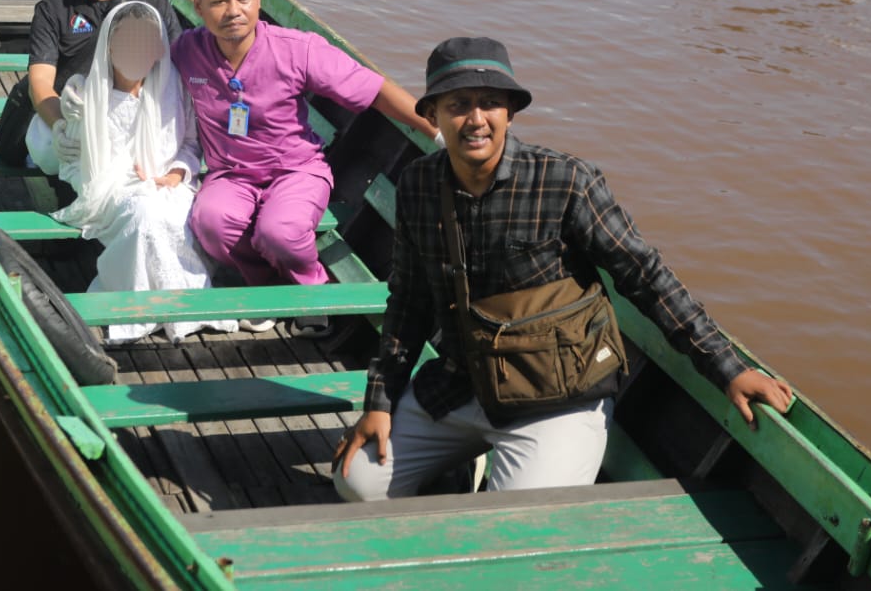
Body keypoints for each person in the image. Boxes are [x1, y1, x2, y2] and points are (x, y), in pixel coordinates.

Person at [332, 37, 793, 500]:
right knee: (357, 482)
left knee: (520, 527)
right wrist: (381, 401)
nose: (475, 119)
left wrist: (728, 369)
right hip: (460, 385)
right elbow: (408, 304)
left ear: (510, 113)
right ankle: (452, 472)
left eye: (490, 103)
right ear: (432, 116)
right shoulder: (418, 185)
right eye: (458, 105)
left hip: (555, 398)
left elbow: (646, 275)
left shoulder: (566, 181)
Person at [172, 0, 436, 332]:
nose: (233, 11)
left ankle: (312, 293)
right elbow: (142, 79)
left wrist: (437, 129)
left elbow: (374, 90)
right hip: (231, 173)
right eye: (218, 1)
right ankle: (265, 289)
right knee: (210, 222)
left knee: (280, 232)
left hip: (295, 171)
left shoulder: (297, 49)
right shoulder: (186, 50)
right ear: (198, 7)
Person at [52, 2, 235, 344]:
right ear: (110, 44)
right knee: (144, 214)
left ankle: (176, 308)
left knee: (168, 216)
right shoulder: (84, 94)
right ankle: (140, 311)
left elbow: (191, 145)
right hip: (110, 188)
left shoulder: (174, 88)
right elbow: (72, 159)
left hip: (168, 182)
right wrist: (107, 179)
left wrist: (176, 174)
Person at [0, 0, 180, 172]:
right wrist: (61, 126)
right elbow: (40, 81)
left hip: (128, 117)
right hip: (69, 114)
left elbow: (175, 79)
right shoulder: (54, 9)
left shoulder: (154, 7)